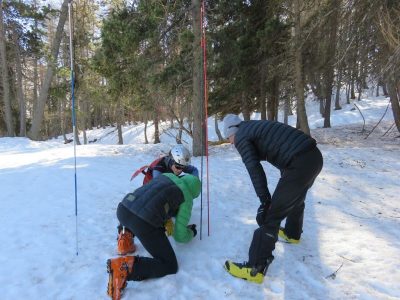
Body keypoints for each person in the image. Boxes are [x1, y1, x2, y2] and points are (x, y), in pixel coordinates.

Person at [222, 114, 323, 284]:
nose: (231, 143)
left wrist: (265, 201)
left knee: (271, 216)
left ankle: (255, 268)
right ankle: (292, 233)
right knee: (295, 196)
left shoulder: (241, 137)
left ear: (232, 132)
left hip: (299, 162)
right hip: (313, 157)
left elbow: (254, 168)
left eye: (229, 138)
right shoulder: (252, 126)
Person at [107, 173, 201, 300]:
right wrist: (191, 233)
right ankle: (124, 268)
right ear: (194, 193)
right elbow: (180, 236)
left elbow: (151, 200)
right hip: (142, 222)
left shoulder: (166, 176)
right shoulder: (187, 197)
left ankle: (125, 238)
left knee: (136, 210)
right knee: (169, 265)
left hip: (123, 209)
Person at [118, 144, 199, 255]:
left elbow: (194, 170)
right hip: (149, 193)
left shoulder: (177, 164)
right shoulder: (158, 170)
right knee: (145, 212)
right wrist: (166, 219)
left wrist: (195, 183)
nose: (181, 170)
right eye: (178, 167)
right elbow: (160, 198)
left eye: (183, 168)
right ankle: (125, 234)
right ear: (171, 160)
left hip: (166, 189)